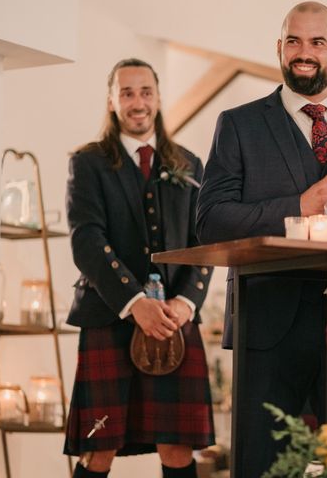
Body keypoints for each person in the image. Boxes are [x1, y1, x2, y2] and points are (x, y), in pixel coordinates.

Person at [197, 3, 327, 476]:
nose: (304, 53)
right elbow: (210, 219)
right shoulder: (239, 124)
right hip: (270, 325)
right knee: (263, 467)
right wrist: (297, 206)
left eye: (317, 42)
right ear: (279, 48)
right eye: (294, 41)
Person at [63, 58, 214, 478]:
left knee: (179, 448)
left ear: (158, 97)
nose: (137, 102)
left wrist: (186, 302)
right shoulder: (88, 163)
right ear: (112, 101)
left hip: (174, 322)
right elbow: (86, 240)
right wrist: (134, 303)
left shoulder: (190, 163)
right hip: (110, 316)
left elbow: (203, 241)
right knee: (99, 448)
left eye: (145, 91)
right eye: (126, 92)